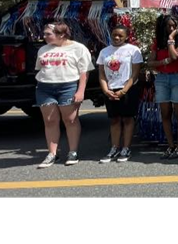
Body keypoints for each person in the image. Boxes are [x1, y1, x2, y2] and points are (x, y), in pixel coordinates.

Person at [34, 22, 95, 168]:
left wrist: (80, 91)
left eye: (48, 34)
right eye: (44, 34)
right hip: (44, 87)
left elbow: (84, 72)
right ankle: (52, 154)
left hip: (67, 86)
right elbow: (40, 68)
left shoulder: (78, 48)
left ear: (61, 34)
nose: (44, 37)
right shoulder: (43, 49)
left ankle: (72, 151)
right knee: (50, 121)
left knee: (70, 120)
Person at [97, 26, 143, 164]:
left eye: (120, 36)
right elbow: (102, 74)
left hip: (127, 89)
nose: (117, 38)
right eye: (114, 35)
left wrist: (124, 90)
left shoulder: (133, 50)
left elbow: (135, 73)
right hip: (111, 89)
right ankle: (114, 147)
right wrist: (106, 90)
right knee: (114, 119)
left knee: (128, 119)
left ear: (126, 37)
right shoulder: (104, 52)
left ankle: (126, 148)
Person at [149, 15, 178, 160]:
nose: (171, 28)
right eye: (168, 26)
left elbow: (175, 56)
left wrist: (171, 39)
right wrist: (164, 61)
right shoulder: (157, 41)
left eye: (174, 26)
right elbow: (150, 62)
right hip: (161, 79)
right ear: (163, 26)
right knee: (165, 113)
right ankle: (171, 145)